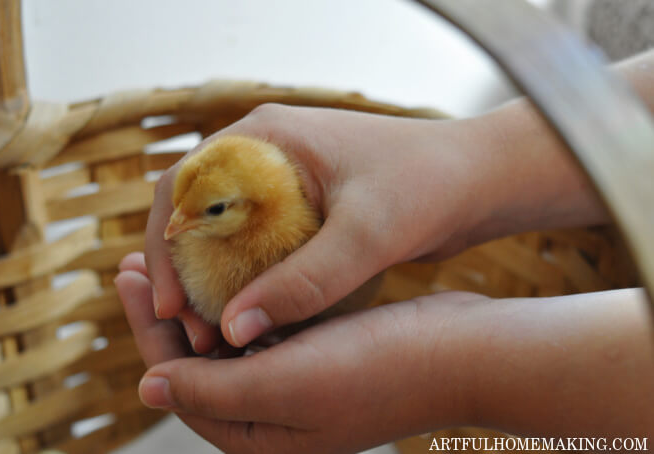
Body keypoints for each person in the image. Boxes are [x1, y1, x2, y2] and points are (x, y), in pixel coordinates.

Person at [114, 50, 654, 453]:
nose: (175, 228)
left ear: (256, 208)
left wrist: (451, 364)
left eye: (210, 212)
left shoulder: (280, 227)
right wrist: (475, 162)